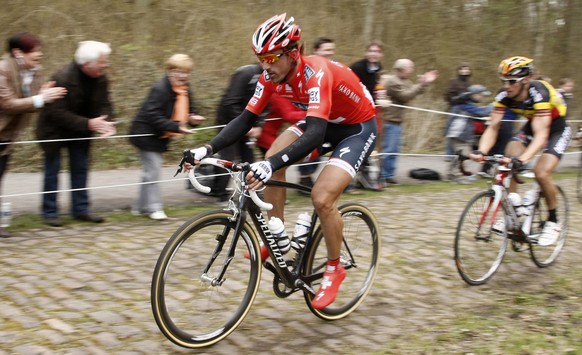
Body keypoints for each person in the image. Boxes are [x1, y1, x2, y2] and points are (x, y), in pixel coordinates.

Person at [183, 13, 377, 310]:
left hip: (356, 128)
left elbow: (313, 134)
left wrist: (270, 165)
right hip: (322, 123)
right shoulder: (270, 76)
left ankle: (334, 268)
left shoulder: (317, 73)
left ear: (293, 53)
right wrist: (205, 149)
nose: (265, 65)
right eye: (260, 57)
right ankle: (276, 236)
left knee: (322, 198)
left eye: (272, 57)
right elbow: (245, 118)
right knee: (275, 151)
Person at [470, 56, 571, 246]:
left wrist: (523, 159)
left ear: (525, 80)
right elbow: (493, 127)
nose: (506, 86)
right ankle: (514, 210)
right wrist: (481, 152)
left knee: (541, 173)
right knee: (509, 155)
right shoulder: (504, 96)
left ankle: (553, 221)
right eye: (503, 81)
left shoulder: (539, 92)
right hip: (534, 126)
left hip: (557, 129)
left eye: (511, 81)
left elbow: (542, 135)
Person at [37, 41, 116, 227]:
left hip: (81, 130)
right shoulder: (62, 78)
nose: (106, 65)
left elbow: (105, 103)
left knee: (80, 168)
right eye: (102, 62)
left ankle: (81, 210)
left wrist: (107, 121)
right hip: (54, 130)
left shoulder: (101, 77)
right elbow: (57, 113)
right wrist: (89, 123)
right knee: (52, 170)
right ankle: (50, 212)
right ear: (87, 64)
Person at [0, 33, 67, 237]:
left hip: (7, 135)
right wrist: (40, 98)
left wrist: (44, 96)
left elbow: (32, 101)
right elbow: (7, 103)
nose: (40, 54)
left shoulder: (34, 70)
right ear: (17, 52)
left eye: (40, 49)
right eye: (35, 50)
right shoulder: (2, 70)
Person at [129, 54, 206, 220]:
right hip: (145, 134)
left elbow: (189, 111)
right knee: (154, 170)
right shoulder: (160, 89)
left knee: (149, 172)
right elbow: (152, 115)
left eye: (186, 72)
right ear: (169, 71)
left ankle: (141, 207)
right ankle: (154, 208)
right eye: (179, 71)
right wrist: (176, 127)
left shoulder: (184, 90)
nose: (183, 76)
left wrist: (193, 119)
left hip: (159, 136)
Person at [209, 63, 265, 201]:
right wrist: (245, 125)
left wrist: (258, 124)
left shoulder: (269, 77)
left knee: (248, 159)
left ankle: (251, 192)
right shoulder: (246, 73)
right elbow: (230, 102)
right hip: (228, 119)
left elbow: (265, 103)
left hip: (247, 120)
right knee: (228, 158)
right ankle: (219, 192)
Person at [379, 58, 439, 185]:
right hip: (390, 121)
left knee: (394, 150)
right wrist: (421, 85)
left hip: (398, 121)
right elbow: (405, 96)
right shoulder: (392, 81)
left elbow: (413, 92)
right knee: (389, 150)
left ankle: (389, 175)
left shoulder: (404, 81)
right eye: (410, 68)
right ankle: (384, 175)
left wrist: (424, 83)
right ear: (402, 69)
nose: (412, 70)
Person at [297, 37, 336, 190]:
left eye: (332, 50)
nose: (330, 53)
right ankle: (304, 178)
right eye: (326, 50)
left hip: (329, 120)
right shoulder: (309, 69)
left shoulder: (331, 67)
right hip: (311, 117)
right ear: (316, 51)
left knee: (319, 151)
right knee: (308, 149)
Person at [445, 84, 492, 182]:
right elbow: (481, 112)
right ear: (474, 94)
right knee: (463, 154)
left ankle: (452, 175)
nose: (482, 97)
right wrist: (494, 105)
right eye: (481, 95)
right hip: (459, 133)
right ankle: (455, 176)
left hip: (457, 133)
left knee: (460, 155)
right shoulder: (465, 104)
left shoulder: (465, 102)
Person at [443, 63, 472, 159]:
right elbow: (447, 95)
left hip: (465, 110)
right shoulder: (453, 81)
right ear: (459, 70)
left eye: (467, 69)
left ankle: (459, 153)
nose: (465, 71)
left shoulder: (468, 83)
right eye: (463, 69)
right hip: (454, 108)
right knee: (451, 132)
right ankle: (449, 154)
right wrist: (457, 99)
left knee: (462, 132)